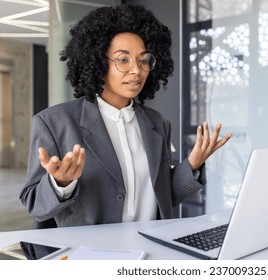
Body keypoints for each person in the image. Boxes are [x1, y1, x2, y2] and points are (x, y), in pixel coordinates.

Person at [19, 4, 232, 228]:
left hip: (150, 248)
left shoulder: (158, 123)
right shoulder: (54, 122)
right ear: (99, 63)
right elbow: (35, 205)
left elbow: (162, 196)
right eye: (123, 60)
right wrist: (61, 183)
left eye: (143, 60)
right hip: (91, 255)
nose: (136, 70)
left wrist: (192, 164)